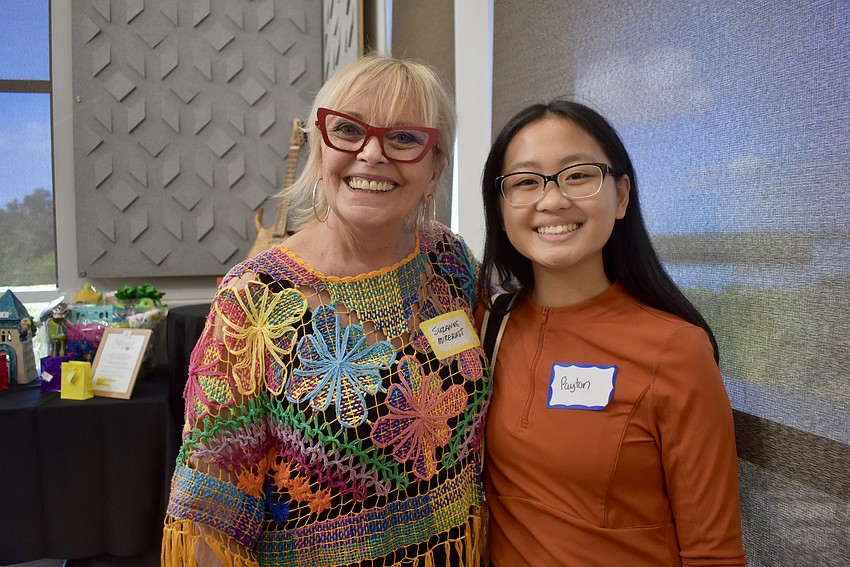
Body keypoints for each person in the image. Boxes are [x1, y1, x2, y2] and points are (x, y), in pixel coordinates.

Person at [163, 54, 489, 567]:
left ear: (435, 169)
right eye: (348, 130)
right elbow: (210, 515)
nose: (372, 153)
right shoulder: (255, 299)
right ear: (319, 148)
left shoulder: (452, 263)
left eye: (404, 138)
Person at [477, 100, 747, 566]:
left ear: (620, 195)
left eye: (577, 175)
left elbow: (714, 551)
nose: (552, 199)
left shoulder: (675, 349)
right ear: (501, 208)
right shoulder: (486, 326)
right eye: (525, 182)